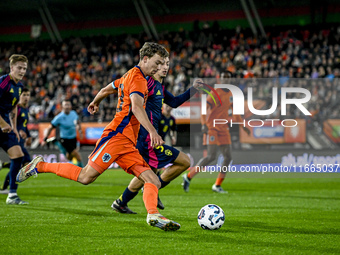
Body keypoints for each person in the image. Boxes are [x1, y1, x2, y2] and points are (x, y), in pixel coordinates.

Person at [17, 42, 180, 231]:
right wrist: (153, 131)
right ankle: (40, 165)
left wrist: (96, 101)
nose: (160, 67)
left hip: (127, 143)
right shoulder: (138, 79)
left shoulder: (128, 75)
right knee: (85, 177)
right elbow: (136, 107)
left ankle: (153, 214)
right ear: (145, 59)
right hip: (116, 137)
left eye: (162, 63)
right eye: (157, 62)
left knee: (153, 180)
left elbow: (106, 89)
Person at [111, 57, 202, 214]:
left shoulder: (159, 86)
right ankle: (154, 190)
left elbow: (173, 102)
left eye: (167, 64)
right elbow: (134, 102)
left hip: (147, 139)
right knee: (184, 161)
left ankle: (121, 202)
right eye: (161, 64)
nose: (165, 67)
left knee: (146, 173)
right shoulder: (146, 83)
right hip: (147, 140)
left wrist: (192, 90)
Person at [182, 83, 251, 193]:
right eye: (224, 77)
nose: (226, 80)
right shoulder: (215, 93)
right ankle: (188, 176)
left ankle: (217, 185)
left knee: (228, 157)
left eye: (228, 78)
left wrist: (242, 125)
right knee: (211, 156)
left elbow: (235, 113)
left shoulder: (231, 94)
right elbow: (204, 108)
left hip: (224, 128)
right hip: (212, 128)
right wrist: (204, 123)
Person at [0, 54, 29, 204]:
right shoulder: (3, 82)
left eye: (24, 68)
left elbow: (13, 107)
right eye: (19, 67)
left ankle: (12, 195)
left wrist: (14, 127)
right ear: (12, 68)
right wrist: (2, 124)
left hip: (5, 125)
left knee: (18, 156)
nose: (22, 71)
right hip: (1, 123)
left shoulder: (19, 87)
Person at [0, 88, 32, 193]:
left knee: (20, 164)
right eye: (24, 95)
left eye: (28, 95)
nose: (26, 97)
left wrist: (28, 135)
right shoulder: (16, 108)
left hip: (21, 140)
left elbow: (24, 125)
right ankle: (9, 188)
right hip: (15, 139)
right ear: (19, 96)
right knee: (25, 162)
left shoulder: (26, 109)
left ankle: (5, 186)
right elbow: (12, 122)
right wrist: (18, 131)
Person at [42, 100, 83, 167]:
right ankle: (83, 170)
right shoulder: (59, 117)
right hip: (65, 139)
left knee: (70, 156)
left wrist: (80, 131)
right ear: (62, 107)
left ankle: (56, 142)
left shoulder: (74, 113)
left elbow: (78, 122)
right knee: (77, 155)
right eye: (65, 105)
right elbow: (50, 127)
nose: (67, 107)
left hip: (73, 138)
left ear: (70, 106)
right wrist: (45, 138)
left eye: (68, 105)